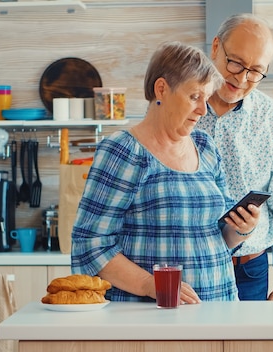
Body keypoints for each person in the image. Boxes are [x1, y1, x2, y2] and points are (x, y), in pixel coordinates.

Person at [71, 41, 261, 304]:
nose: (203, 110)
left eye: (206, 98)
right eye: (194, 96)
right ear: (162, 88)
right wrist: (152, 285)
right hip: (152, 316)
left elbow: (219, 235)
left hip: (219, 304)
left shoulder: (205, 146)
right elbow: (90, 244)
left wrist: (243, 229)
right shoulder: (123, 151)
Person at [196, 14, 273, 301]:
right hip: (189, 270)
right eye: (235, 63)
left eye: (256, 71)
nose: (242, 79)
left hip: (249, 271)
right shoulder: (181, 106)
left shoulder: (271, 117)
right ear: (216, 47)